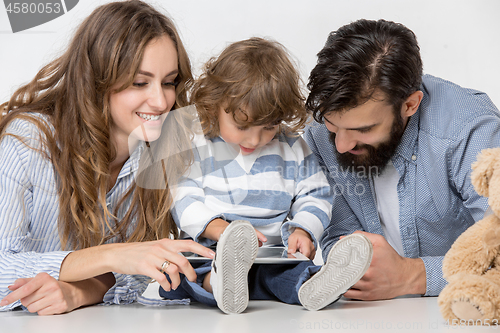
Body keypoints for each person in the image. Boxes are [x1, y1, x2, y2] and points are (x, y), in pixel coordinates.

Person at [0, 0, 215, 315]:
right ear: (96, 81)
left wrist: (83, 290)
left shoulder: (164, 149)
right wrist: (111, 256)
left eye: (169, 82)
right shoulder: (28, 141)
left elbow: (145, 268)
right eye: (139, 83)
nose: (160, 101)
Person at [160, 37, 373, 314]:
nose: (256, 138)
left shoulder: (293, 147)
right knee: (180, 277)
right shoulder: (198, 143)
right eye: (242, 124)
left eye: (270, 126)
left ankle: (314, 286)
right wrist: (219, 229)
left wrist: (303, 229)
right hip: (210, 252)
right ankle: (219, 281)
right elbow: (182, 195)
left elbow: (315, 194)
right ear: (215, 104)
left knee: (287, 275)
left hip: (271, 258)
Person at [303, 19, 500, 300]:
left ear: (410, 104)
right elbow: (338, 237)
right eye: (334, 125)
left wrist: (413, 276)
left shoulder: (470, 130)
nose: (342, 145)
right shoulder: (319, 131)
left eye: (363, 129)